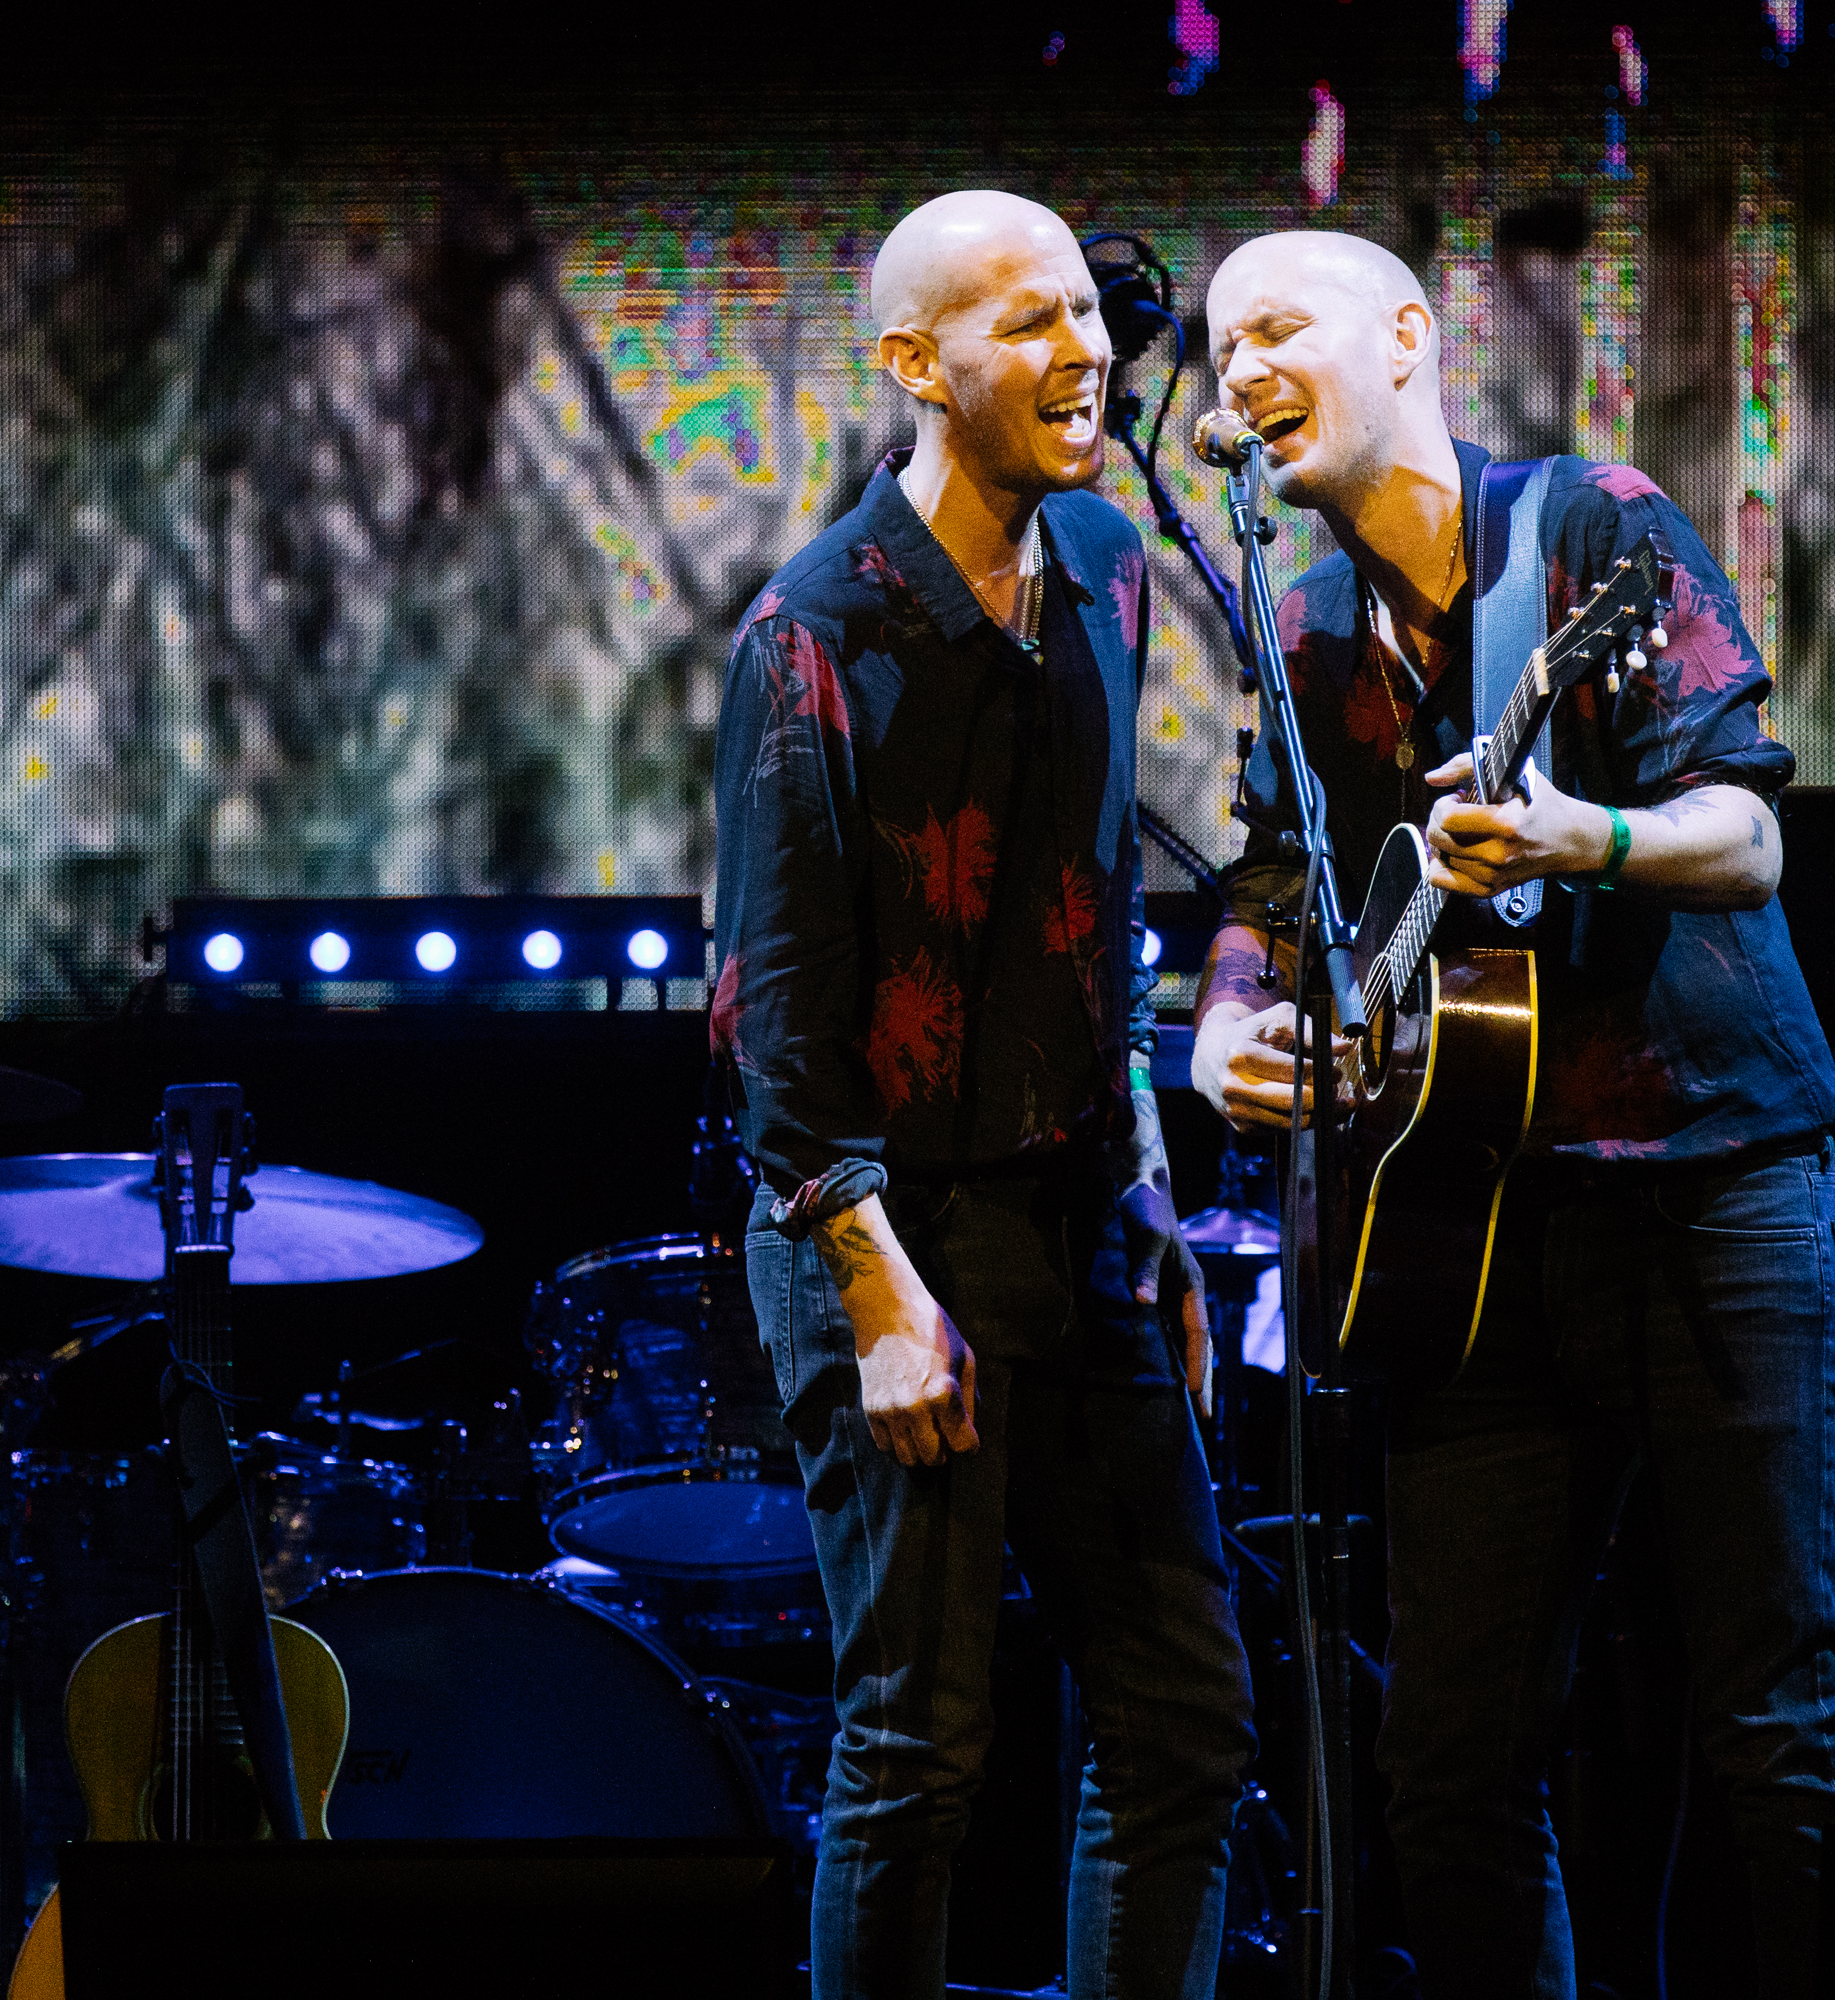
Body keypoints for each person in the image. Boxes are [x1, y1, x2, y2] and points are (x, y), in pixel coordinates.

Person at [1190, 229, 1835, 1999]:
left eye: (1279, 328)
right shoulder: (1306, 622)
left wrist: (1595, 836)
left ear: (1408, 337)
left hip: (1715, 1196)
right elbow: (1269, 889)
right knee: (1451, 1772)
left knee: (1778, 1742)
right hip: (1467, 1245)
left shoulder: (1590, 528)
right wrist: (1230, 1025)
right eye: (1218, 344)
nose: (1240, 366)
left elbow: (1751, 833)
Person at [711, 188, 1254, 2000]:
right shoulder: (818, 631)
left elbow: (1089, 919)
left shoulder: (1103, 570)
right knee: (918, 1754)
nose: (1082, 348)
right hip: (887, 1227)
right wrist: (873, 1287)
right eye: (1024, 323)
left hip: (1079, 1216)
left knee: (1186, 1719)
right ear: (915, 368)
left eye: (1082, 317)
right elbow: (779, 1014)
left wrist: (1153, 1192)